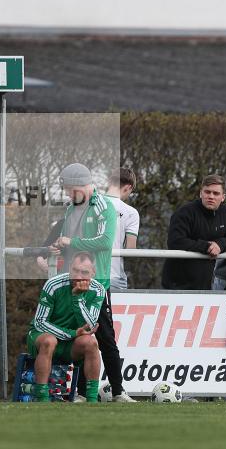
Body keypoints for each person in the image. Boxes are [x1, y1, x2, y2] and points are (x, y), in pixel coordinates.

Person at [50, 163, 135, 402]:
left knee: (106, 337)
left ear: (79, 185)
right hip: (72, 282)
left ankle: (118, 392)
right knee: (76, 335)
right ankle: (78, 393)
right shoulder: (71, 209)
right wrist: (59, 248)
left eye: (68, 189)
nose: (67, 194)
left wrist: (70, 242)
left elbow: (105, 242)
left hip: (97, 283)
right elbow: (69, 243)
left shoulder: (104, 207)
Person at [27, 252, 102, 403]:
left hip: (71, 343)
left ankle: (92, 400)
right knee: (50, 341)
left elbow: (90, 326)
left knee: (91, 343)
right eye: (75, 270)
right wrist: (72, 333)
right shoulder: (52, 284)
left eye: (84, 272)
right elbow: (40, 322)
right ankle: (43, 398)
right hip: (43, 336)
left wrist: (78, 298)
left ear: (93, 273)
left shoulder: (98, 289)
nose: (79, 277)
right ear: (69, 268)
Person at [161, 174, 226, 290]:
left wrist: (220, 244)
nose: (211, 196)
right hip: (177, 284)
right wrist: (207, 247)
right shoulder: (184, 212)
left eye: (216, 193)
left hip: (208, 285)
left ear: (223, 197)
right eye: (207, 192)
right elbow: (175, 241)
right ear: (201, 193)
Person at [106, 168, 140, 290]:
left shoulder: (89, 205)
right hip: (113, 276)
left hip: (85, 274)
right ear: (128, 188)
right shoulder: (131, 212)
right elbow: (130, 249)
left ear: (110, 182)